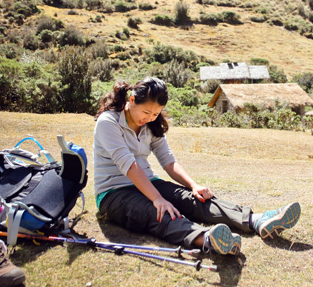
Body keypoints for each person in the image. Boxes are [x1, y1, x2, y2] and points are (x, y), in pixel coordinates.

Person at [93, 77, 301, 255]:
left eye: (155, 114)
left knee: (194, 199)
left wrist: (193, 185)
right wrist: (157, 198)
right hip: (114, 193)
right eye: (146, 112)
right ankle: (208, 239)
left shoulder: (151, 125)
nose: (149, 118)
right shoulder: (108, 122)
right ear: (132, 100)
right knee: (158, 212)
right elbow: (129, 166)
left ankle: (256, 221)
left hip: (149, 182)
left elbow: (168, 160)